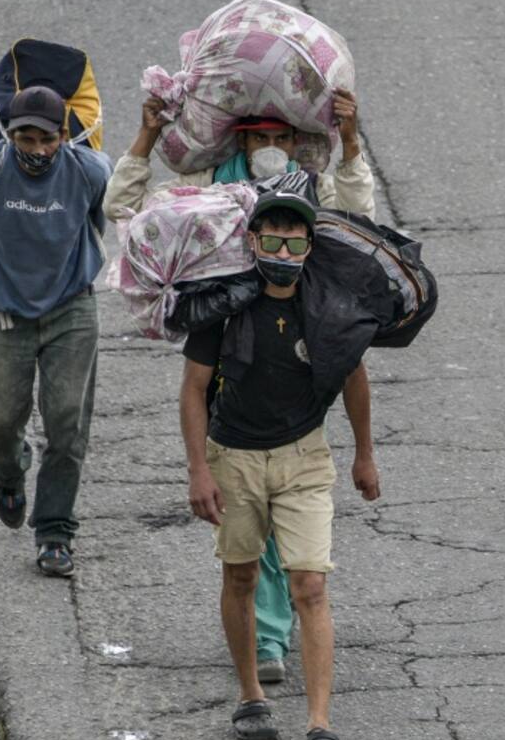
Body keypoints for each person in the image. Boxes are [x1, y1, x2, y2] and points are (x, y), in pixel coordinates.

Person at [104, 87, 376, 684]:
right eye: (260, 139)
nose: (272, 149)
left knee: (291, 510)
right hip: (234, 360)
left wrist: (351, 142)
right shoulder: (206, 186)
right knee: (249, 527)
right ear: (243, 141)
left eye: (283, 138)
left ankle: (273, 637)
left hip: (299, 363)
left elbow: (358, 221)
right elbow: (125, 210)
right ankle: (260, 639)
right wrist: (146, 137)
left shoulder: (310, 189)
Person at [179, 188, 380, 740]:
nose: (284, 251)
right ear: (253, 241)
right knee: (239, 576)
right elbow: (194, 391)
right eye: (273, 239)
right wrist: (199, 470)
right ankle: (251, 697)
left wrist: (364, 454)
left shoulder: (328, 309)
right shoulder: (223, 306)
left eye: (295, 241)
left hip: (304, 458)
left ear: (309, 246)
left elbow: (354, 379)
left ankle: (320, 725)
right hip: (233, 456)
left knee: (310, 587)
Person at [0, 85, 112, 578]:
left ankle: (55, 531)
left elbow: (98, 220)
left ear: (64, 135)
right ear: (10, 134)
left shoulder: (90, 171)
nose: (37, 150)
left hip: (71, 311)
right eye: (27, 139)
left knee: (67, 425)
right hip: (3, 315)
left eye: (48, 140)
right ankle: (9, 473)